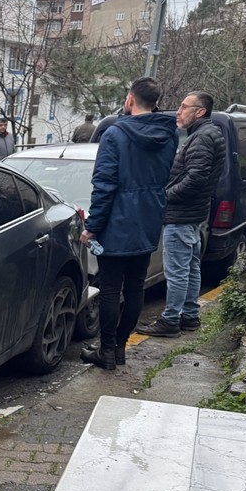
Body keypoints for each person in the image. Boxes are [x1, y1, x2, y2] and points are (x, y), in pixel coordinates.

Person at [79, 77, 179, 370]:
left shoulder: (115, 134)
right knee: (136, 287)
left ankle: (106, 350)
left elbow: (105, 184)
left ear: (130, 99)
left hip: (117, 220)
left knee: (111, 289)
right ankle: (120, 348)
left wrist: (92, 225)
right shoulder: (169, 134)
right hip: (148, 217)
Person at [137, 91, 225, 337]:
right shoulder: (209, 133)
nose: (178, 111)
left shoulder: (202, 138)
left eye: (184, 107)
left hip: (182, 214)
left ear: (200, 112)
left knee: (176, 270)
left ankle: (170, 320)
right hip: (193, 214)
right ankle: (189, 315)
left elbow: (196, 178)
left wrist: (164, 197)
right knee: (190, 266)